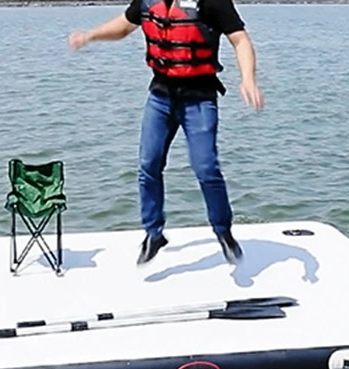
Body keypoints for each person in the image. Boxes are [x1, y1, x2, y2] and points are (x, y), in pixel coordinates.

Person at [68, 0, 263, 265]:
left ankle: (223, 232)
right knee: (149, 164)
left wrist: (248, 79)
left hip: (199, 97)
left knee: (206, 168)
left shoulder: (212, 2)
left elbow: (240, 40)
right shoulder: (149, 1)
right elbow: (125, 25)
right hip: (160, 97)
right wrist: (90, 35)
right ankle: (153, 233)